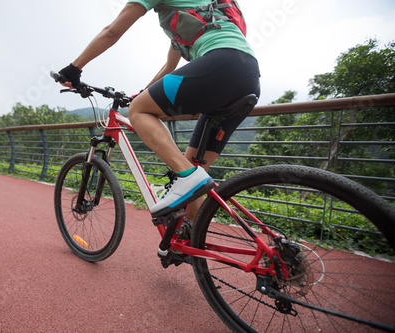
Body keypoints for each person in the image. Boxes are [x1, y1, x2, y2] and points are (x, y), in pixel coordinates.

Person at [58, 1, 260, 221]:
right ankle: (187, 241)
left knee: (140, 115)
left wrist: (74, 69)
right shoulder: (192, 13)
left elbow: (112, 31)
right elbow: (168, 67)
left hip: (221, 62)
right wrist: (142, 94)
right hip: (247, 73)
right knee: (193, 172)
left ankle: (187, 179)